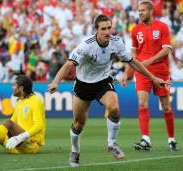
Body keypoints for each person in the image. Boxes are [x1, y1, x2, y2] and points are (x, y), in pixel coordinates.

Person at [47, 14, 169, 167]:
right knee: (79, 123)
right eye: (103, 29)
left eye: (109, 28)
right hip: (83, 84)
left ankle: (111, 143)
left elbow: (133, 62)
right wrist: (55, 82)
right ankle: (75, 150)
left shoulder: (117, 42)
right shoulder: (86, 45)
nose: (107, 32)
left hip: (103, 81)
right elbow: (68, 65)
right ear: (96, 30)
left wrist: (153, 78)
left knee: (115, 109)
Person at [122, 0, 177, 151]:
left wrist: (148, 61)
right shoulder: (135, 30)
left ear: (151, 11)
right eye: (139, 10)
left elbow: (166, 50)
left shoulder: (162, 27)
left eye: (143, 10)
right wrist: (127, 72)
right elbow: (132, 55)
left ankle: (171, 139)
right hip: (142, 71)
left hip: (160, 70)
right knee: (142, 103)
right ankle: (146, 139)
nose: (140, 13)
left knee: (165, 106)